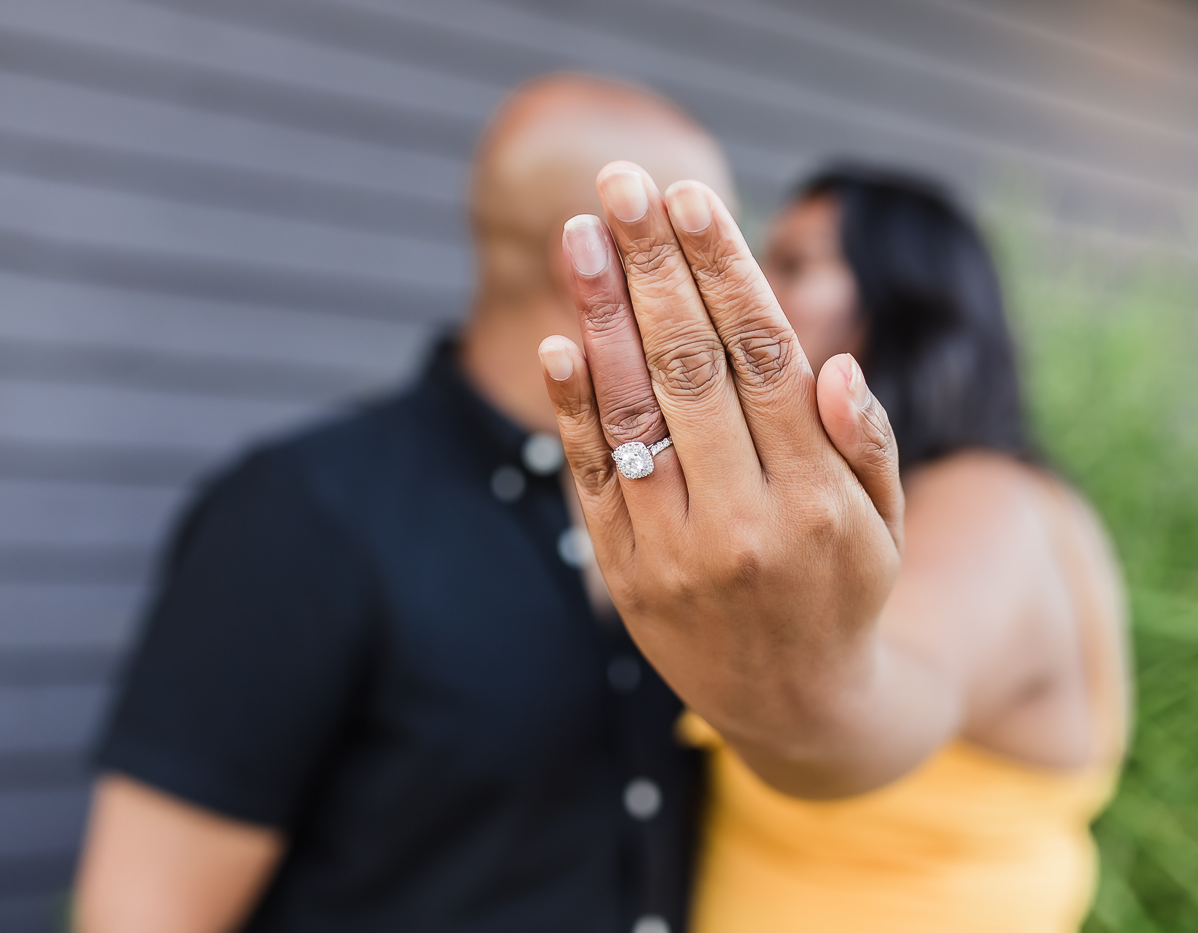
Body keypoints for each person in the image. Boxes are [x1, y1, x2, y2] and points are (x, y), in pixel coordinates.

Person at [73, 75, 735, 933]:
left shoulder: (694, 513)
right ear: (591, 262)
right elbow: (142, 915)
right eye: (702, 245)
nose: (735, 285)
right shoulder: (302, 514)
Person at [538, 164, 1128, 932]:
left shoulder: (991, 506)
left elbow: (878, 708)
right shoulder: (790, 516)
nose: (749, 284)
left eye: (793, 263)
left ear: (905, 309)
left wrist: (789, 685)